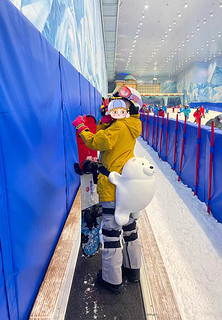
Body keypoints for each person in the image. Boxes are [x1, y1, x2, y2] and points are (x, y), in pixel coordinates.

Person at [72, 85, 143, 293]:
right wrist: (104, 122)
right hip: (128, 188)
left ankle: (112, 280)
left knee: (111, 232)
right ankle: (133, 270)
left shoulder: (118, 127)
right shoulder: (130, 125)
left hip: (113, 186)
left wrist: (81, 128)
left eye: (121, 104)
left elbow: (97, 142)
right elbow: (109, 139)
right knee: (130, 228)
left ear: (130, 108)